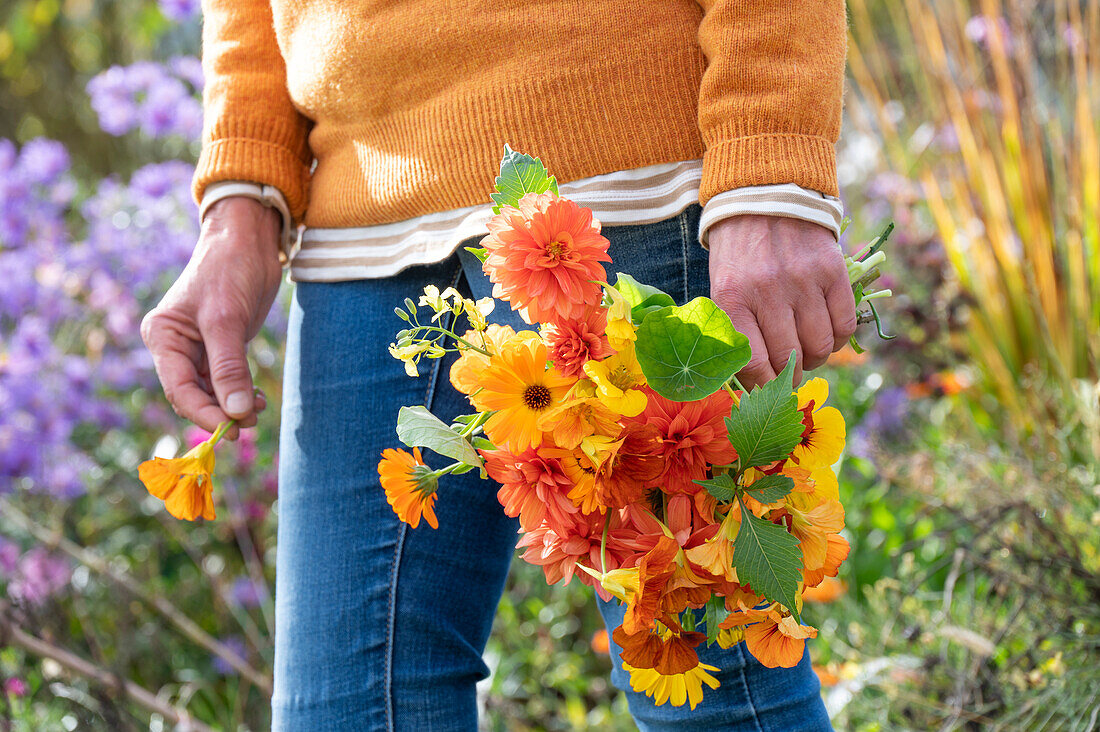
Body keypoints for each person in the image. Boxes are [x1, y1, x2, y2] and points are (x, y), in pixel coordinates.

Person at [141, 1, 854, 729]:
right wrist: (241, 196)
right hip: (354, 219)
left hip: (617, 174)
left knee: (719, 692)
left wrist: (771, 165)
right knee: (346, 714)